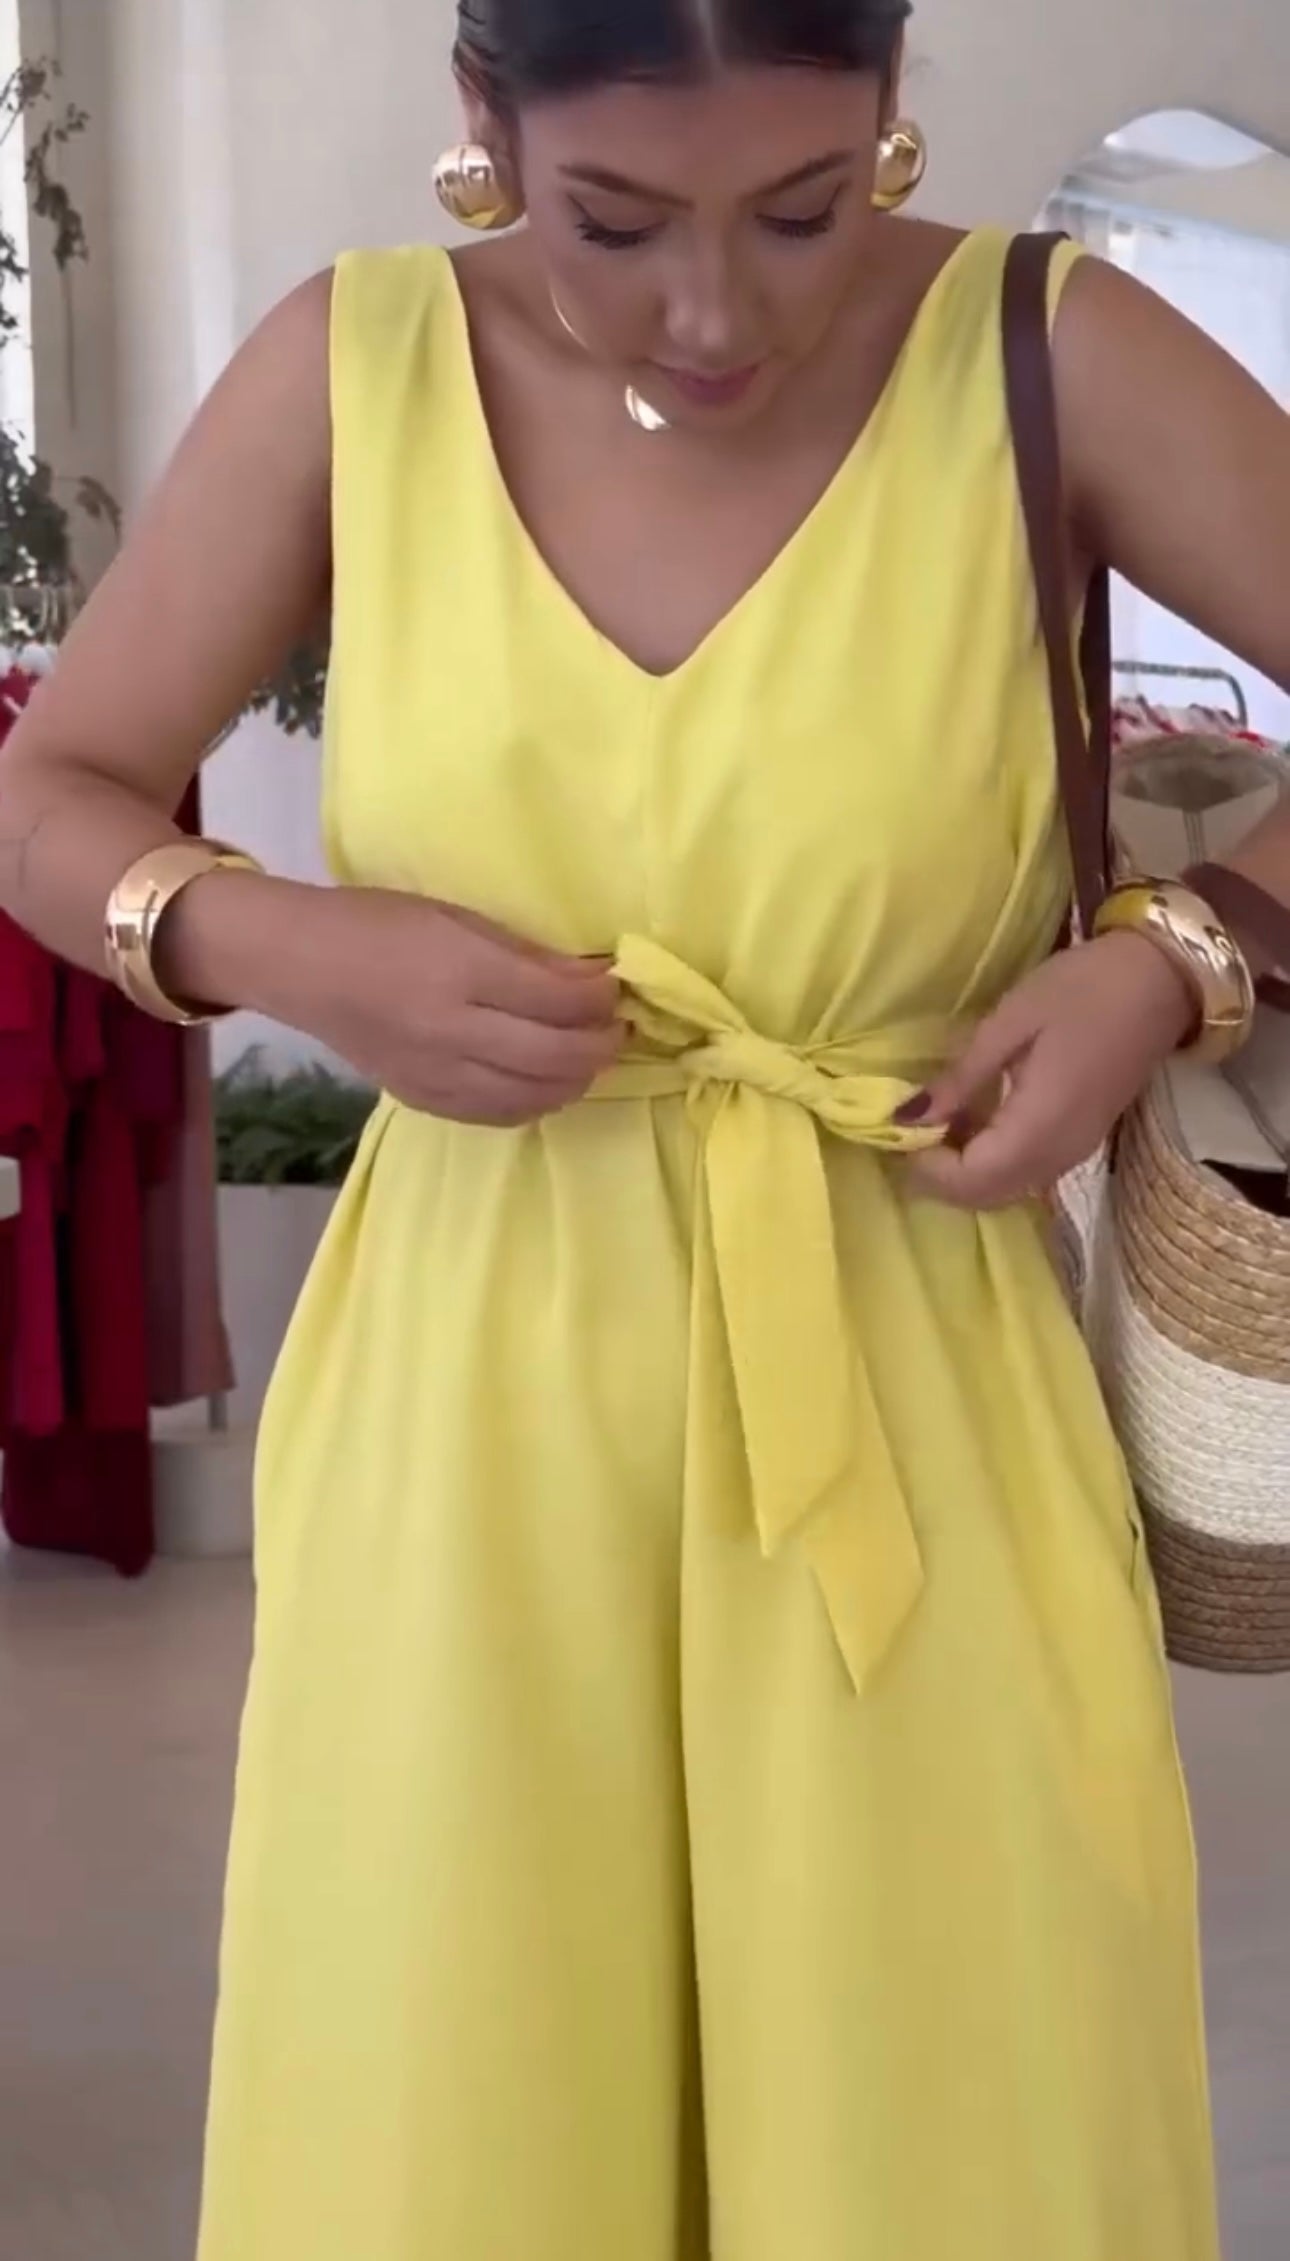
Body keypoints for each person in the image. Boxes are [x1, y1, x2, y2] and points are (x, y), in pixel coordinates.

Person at [3, 1, 1289, 2252]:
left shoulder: (1047, 348)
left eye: (802, 208)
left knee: (941, 2130)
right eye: (613, 223)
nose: (715, 313)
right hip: (470, 1403)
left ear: (888, 108)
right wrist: (278, 942)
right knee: (464, 2126)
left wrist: (1166, 959)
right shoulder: (354, 371)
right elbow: (52, 792)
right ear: (481, 123)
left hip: (912, 1390)